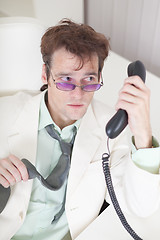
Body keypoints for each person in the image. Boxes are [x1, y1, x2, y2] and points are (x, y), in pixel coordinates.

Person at [0, 19, 160, 240]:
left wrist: (143, 133)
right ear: (45, 75)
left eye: (89, 80)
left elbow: (139, 207)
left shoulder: (110, 129)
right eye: (66, 80)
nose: (78, 94)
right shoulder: (4, 113)